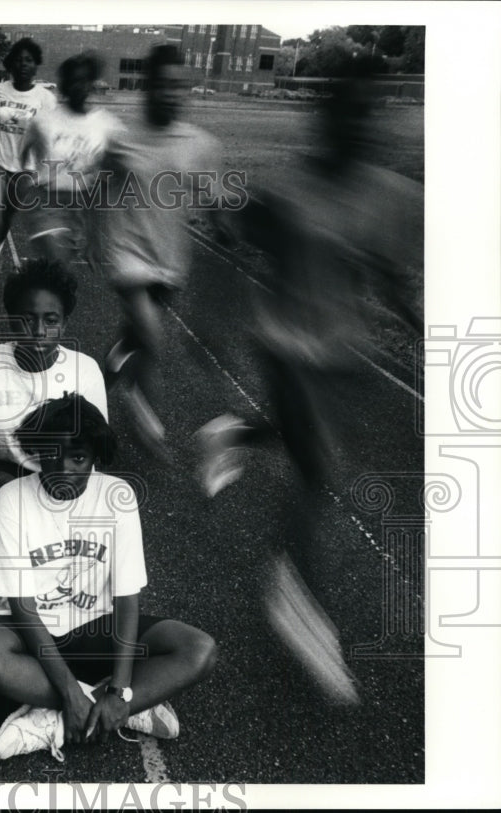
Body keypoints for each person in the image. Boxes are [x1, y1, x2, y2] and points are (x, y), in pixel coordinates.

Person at [195, 74, 423, 705]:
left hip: (345, 352)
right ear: (322, 123)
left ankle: (233, 432)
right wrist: (209, 314)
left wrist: (423, 325)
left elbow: (387, 272)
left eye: (365, 121)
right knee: (316, 471)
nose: (355, 132)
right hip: (286, 346)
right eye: (343, 119)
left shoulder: (387, 194)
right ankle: (296, 600)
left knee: (302, 444)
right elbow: (229, 233)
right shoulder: (284, 189)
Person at [0, 394, 217, 761]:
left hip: (96, 626)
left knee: (200, 649)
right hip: (31, 630)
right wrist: (71, 693)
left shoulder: (117, 495)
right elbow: (21, 606)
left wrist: (120, 691)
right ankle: (97, 708)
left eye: (78, 457)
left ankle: (61, 716)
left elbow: (127, 598)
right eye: (52, 454)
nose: (63, 468)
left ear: (95, 456)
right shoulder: (10, 499)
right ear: (37, 452)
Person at [98, 45, 226, 460]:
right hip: (127, 256)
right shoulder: (122, 141)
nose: (173, 93)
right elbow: (99, 189)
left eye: (180, 86)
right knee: (153, 341)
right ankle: (146, 421)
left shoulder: (201, 145)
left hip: (171, 262)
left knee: (130, 341)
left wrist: (226, 227)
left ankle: (97, 383)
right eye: (164, 85)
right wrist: (92, 236)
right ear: (147, 87)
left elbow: (215, 202)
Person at [0, 259, 108, 544]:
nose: (38, 330)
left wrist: (44, 492)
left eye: (50, 320)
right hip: (4, 475)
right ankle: (2, 565)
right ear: (11, 318)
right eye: (27, 319)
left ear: (64, 323)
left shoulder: (85, 371)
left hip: (64, 477)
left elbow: (93, 448)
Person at [0, 38, 57, 302]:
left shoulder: (45, 98)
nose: (23, 64)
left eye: (29, 60)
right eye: (19, 59)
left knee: (8, 217)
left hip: (25, 166)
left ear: (36, 65)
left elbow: (48, 136)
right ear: (11, 64)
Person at [21, 53, 118, 267]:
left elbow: (101, 185)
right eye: (73, 80)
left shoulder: (105, 126)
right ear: (64, 84)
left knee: (57, 278)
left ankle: (32, 286)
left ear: (91, 83)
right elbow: (25, 152)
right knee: (60, 265)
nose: (79, 86)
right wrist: (27, 178)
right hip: (45, 202)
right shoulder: (44, 121)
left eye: (84, 80)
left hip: (80, 208)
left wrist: (95, 238)